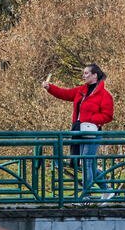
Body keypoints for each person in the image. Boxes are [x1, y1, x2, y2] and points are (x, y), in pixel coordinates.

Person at [42, 64, 115, 199]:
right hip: (79, 131)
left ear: (95, 75)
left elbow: (108, 115)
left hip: (93, 133)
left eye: (86, 73)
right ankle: (107, 189)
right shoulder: (81, 90)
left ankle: (86, 195)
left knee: (86, 161)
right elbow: (65, 93)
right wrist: (50, 88)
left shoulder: (105, 95)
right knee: (89, 165)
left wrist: (91, 119)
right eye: (84, 73)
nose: (84, 75)